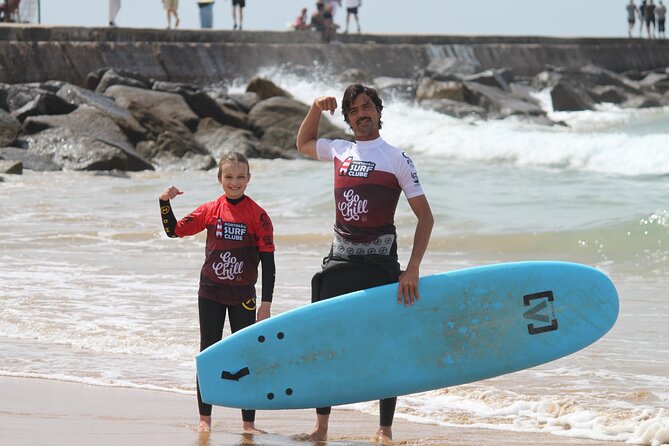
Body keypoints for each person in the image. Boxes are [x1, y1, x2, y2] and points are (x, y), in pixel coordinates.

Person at [295, 84, 434, 443]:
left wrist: (413, 268)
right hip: (340, 260)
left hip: (381, 265)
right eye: (354, 109)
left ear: (378, 111)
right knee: (323, 340)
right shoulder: (340, 150)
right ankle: (321, 428)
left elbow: (426, 219)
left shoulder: (397, 159)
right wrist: (314, 108)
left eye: (367, 106)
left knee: (387, 345)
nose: (361, 113)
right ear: (347, 117)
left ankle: (385, 429)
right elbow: (303, 143)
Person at [159, 151, 276, 433]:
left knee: (246, 356)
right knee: (208, 353)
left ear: (248, 178)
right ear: (219, 178)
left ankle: (248, 423)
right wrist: (164, 203)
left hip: (244, 297)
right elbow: (174, 231)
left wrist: (266, 303)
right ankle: (205, 419)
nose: (234, 182)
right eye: (228, 177)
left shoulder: (259, 217)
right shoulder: (211, 210)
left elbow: (269, 264)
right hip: (210, 292)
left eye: (240, 177)